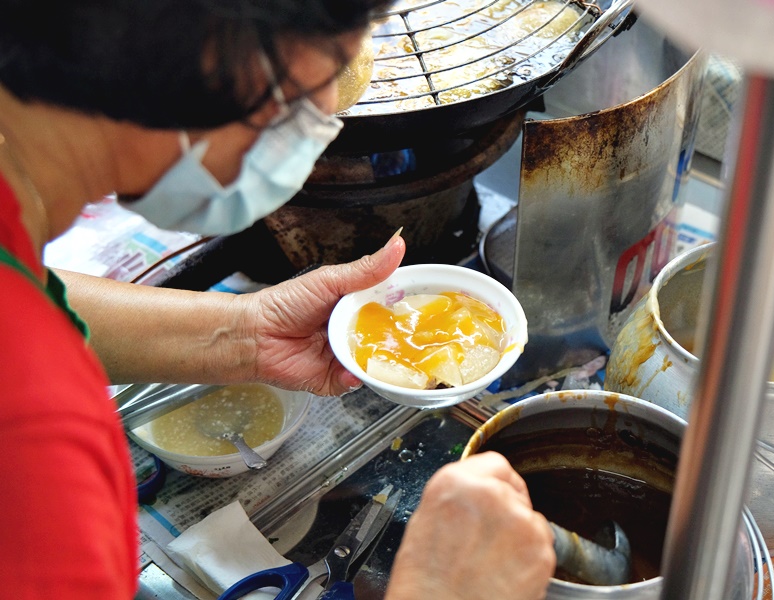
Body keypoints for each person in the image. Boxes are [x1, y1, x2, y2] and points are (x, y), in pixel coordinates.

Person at [0, 1, 556, 599]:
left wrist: (244, 332)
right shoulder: (38, 441)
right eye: (319, 89)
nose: (323, 131)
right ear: (208, 57)